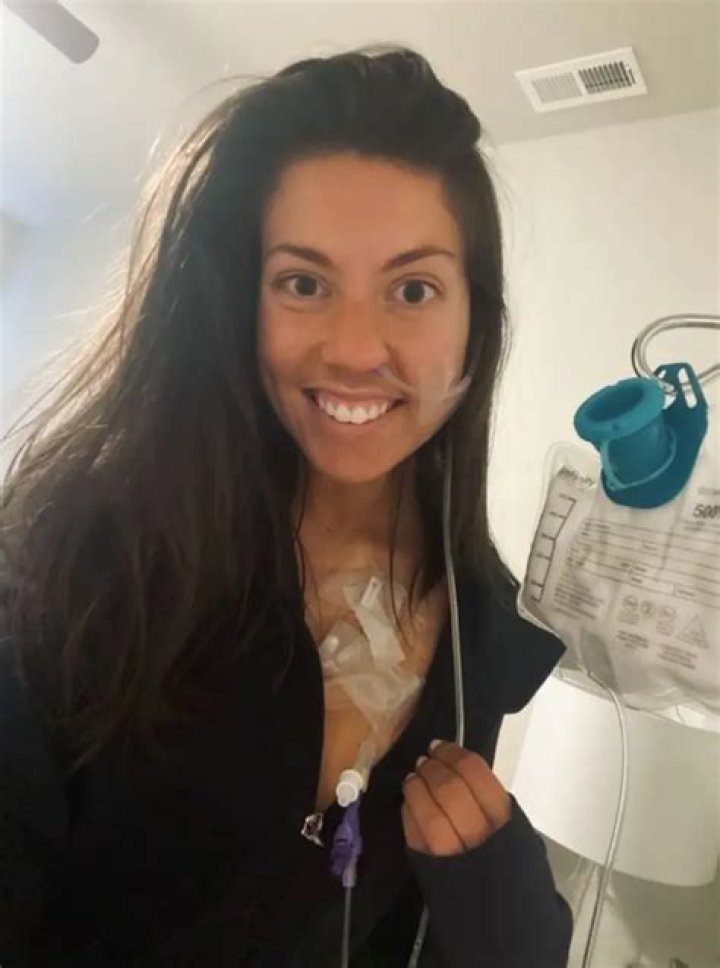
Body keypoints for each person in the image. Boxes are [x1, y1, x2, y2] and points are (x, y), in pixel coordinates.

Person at [0, 45, 572, 966]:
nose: (355, 350)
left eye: (413, 289)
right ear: (237, 302)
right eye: (304, 283)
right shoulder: (75, 555)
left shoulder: (481, 623)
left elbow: (383, 922)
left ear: (475, 323)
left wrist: (509, 913)